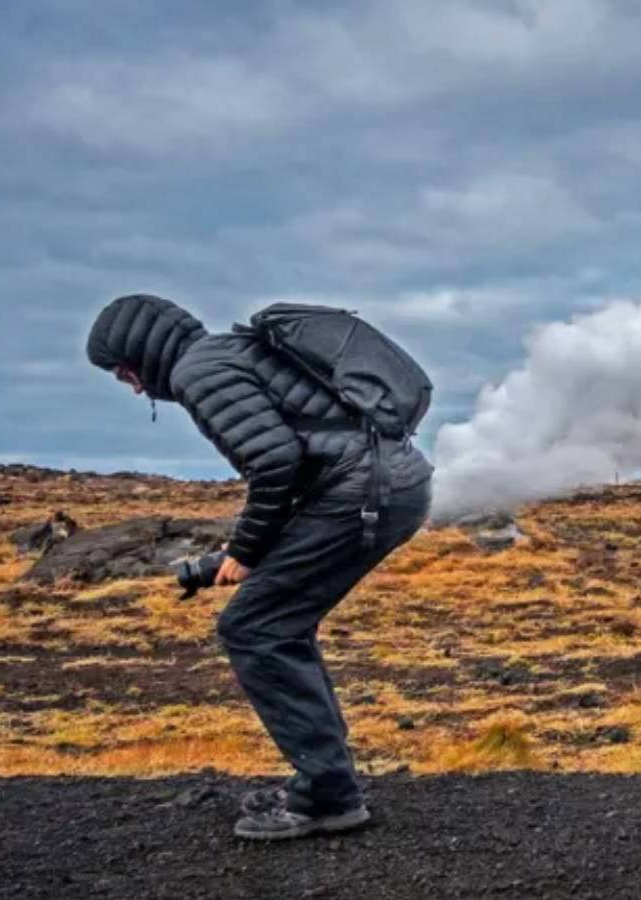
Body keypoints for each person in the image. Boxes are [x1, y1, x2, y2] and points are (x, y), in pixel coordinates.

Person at [85, 293, 434, 840]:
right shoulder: (228, 352)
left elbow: (276, 463)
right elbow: (300, 463)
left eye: (125, 373)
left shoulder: (197, 372)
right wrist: (238, 555)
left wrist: (246, 552)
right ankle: (325, 783)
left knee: (255, 626)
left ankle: (327, 794)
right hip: (390, 481)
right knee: (278, 621)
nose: (132, 387)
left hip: (366, 491)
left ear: (142, 356)